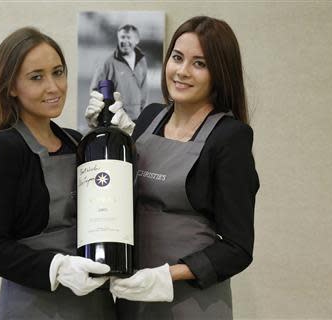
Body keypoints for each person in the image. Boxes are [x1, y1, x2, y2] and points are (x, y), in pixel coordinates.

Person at [86, 16, 259, 319]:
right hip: (133, 296)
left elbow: (237, 248)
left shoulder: (229, 137)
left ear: (219, 73)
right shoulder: (149, 119)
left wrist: (166, 276)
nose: (182, 71)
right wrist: (106, 142)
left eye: (199, 64)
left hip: (191, 302)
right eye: (177, 58)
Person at [0, 27, 116, 320]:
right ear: (11, 87)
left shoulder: (78, 143)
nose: (54, 87)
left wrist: (113, 137)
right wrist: (57, 268)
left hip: (95, 308)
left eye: (58, 72)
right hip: (33, 308)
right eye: (37, 77)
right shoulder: (3, 150)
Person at [89, 24, 148, 121]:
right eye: (122, 37)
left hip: (137, 118)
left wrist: (142, 112)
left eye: (128, 37)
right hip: (116, 120)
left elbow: (144, 88)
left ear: (137, 40)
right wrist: (107, 114)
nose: (125, 41)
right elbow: (94, 90)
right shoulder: (107, 62)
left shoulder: (142, 60)